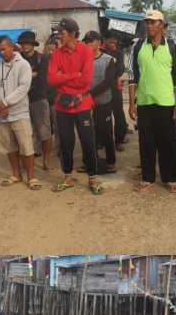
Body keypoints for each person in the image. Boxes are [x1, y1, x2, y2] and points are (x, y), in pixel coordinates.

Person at [129, 11, 176, 193]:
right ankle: (148, 177)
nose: (149, 25)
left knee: (168, 141)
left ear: (162, 24)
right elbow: (132, 77)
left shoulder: (172, 47)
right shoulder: (138, 47)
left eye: (153, 22)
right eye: (147, 22)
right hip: (144, 101)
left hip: (166, 102)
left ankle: (170, 178)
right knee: (146, 141)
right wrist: (131, 103)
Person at [48, 17, 102, 195]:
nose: (59, 36)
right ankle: (68, 176)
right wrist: (73, 75)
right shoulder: (57, 53)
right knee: (65, 142)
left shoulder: (86, 51)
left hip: (82, 105)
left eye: (62, 33)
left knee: (88, 141)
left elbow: (86, 79)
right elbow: (50, 79)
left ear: (72, 34)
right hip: (62, 105)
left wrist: (63, 77)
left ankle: (92, 177)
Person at [0, 34, 39, 190]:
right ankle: (16, 174)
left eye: (4, 49)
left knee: (26, 145)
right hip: (0, 113)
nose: (2, 52)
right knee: (9, 146)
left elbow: (24, 88)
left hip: (19, 111)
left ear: (11, 47)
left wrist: (5, 103)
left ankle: (31, 176)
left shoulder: (23, 65)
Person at [17, 31, 55, 173]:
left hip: (38, 99)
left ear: (33, 44)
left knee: (44, 132)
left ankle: (46, 162)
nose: (25, 45)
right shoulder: (17, 58)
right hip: (21, 100)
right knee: (22, 133)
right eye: (22, 42)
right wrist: (32, 74)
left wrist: (25, 76)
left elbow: (42, 80)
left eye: (27, 42)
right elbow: (15, 79)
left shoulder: (42, 58)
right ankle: (24, 163)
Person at [82, 31, 118, 175]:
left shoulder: (108, 59)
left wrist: (92, 94)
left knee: (106, 132)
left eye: (92, 41)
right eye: (87, 41)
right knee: (87, 133)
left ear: (98, 42)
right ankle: (89, 161)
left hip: (103, 101)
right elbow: (80, 78)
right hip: (85, 102)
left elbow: (109, 81)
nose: (89, 44)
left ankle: (111, 161)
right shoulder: (82, 59)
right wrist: (88, 96)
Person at [102, 34, 129, 150]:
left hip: (115, 88)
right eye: (110, 42)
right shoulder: (99, 51)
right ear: (104, 40)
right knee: (103, 116)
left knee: (118, 115)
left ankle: (119, 140)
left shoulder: (118, 53)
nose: (112, 45)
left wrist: (107, 75)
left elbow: (119, 69)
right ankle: (102, 140)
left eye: (114, 43)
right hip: (101, 89)